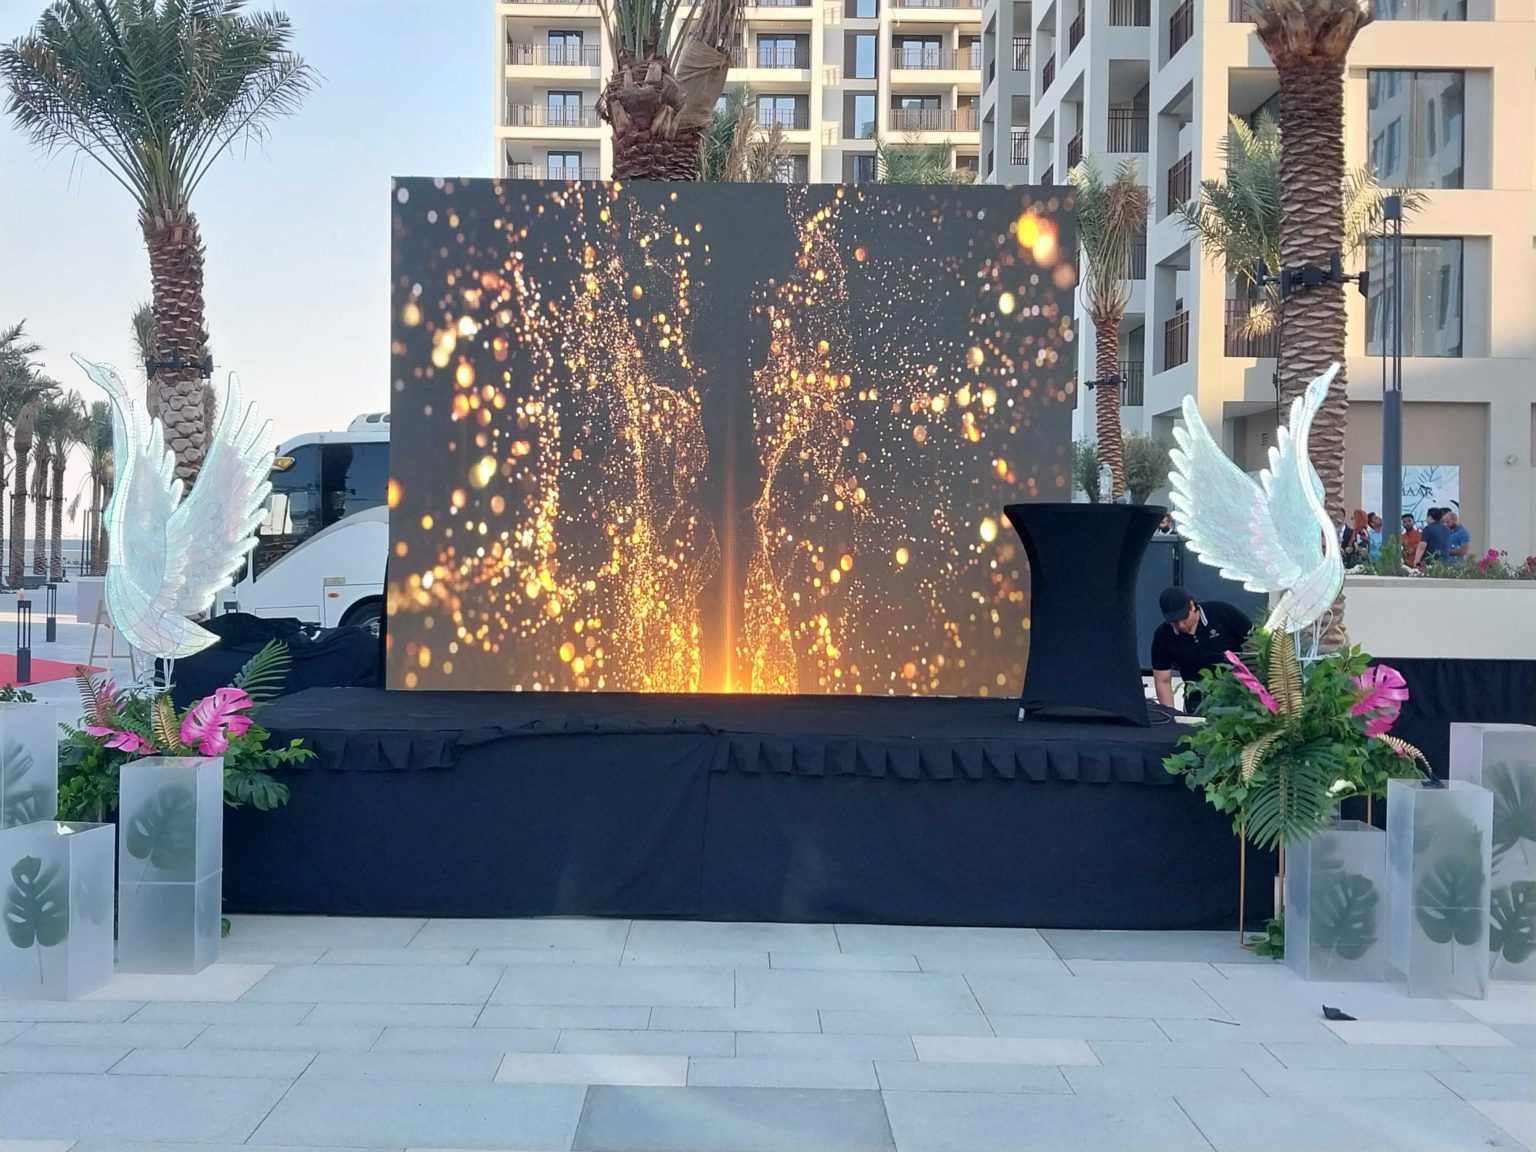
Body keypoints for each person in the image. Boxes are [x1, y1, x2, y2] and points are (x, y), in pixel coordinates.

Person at [1151, 587, 1254, 714]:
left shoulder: (1224, 613)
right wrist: (1170, 715)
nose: (1181, 625)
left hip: (1235, 691)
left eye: (1184, 618)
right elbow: (1163, 681)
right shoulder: (1163, 635)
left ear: (1192, 605)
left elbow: (1254, 646)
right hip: (1196, 696)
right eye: (1174, 622)